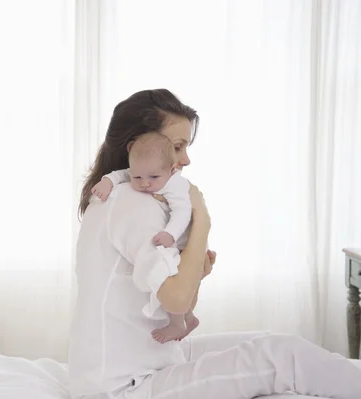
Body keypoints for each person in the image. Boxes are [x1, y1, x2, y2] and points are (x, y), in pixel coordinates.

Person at [68, 88, 361, 399]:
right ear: (136, 146)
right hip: (123, 387)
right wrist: (202, 218)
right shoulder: (131, 203)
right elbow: (177, 301)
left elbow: (177, 305)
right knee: (282, 355)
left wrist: (195, 272)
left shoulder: (125, 197)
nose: (186, 159)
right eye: (178, 146)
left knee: (270, 341)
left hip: (146, 361)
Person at [89, 133, 200, 344]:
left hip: (185, 239)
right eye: (138, 178)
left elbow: (183, 212)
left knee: (172, 276)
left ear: (171, 169)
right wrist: (106, 181)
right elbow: (121, 174)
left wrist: (171, 233)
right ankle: (188, 318)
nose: (145, 184)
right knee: (173, 274)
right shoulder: (144, 172)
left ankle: (178, 323)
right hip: (178, 242)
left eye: (153, 178)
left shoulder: (176, 185)